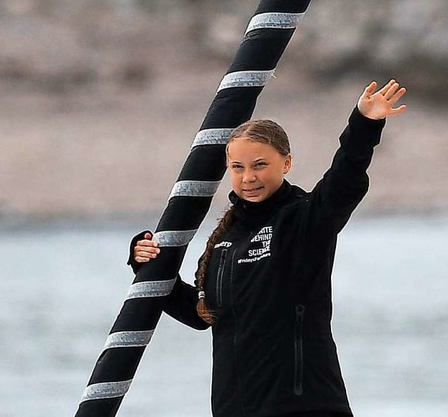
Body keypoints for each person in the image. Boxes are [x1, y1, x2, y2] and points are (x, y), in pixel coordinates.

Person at [127, 80, 407, 417]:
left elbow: (345, 178)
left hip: (307, 407)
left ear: (286, 164)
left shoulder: (305, 220)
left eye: (260, 165)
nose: (248, 178)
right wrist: (146, 265)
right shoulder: (223, 241)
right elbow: (201, 315)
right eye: (238, 168)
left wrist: (365, 123)